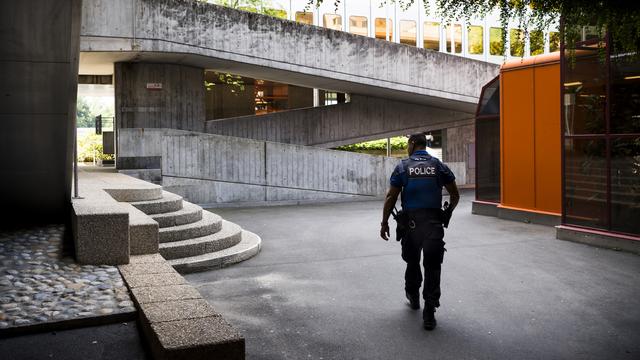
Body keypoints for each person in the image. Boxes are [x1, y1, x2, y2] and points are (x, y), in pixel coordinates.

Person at [380, 133, 459, 331]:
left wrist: (384, 223)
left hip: (411, 226)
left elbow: (391, 197)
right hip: (434, 225)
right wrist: (447, 212)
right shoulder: (439, 166)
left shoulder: (403, 166)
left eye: (407, 145)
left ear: (412, 144)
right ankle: (429, 312)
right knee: (433, 267)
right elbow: (455, 194)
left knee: (412, 261)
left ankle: (413, 296)